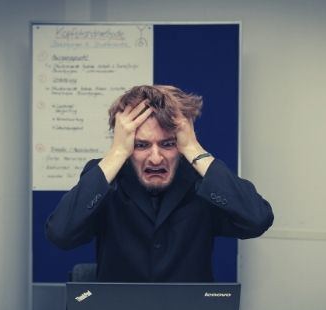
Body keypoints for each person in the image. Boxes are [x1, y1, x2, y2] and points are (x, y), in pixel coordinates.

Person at [46, 85, 273, 282]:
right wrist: (116, 153)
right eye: (141, 145)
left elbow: (257, 219)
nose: (155, 158)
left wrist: (194, 149)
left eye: (167, 144)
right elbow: (61, 233)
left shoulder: (200, 179)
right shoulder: (107, 177)